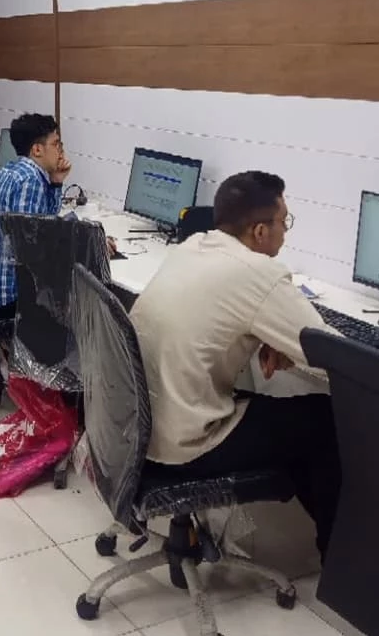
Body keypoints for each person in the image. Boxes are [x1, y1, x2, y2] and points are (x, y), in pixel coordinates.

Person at [129, 170, 340, 559]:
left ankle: (333, 546)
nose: (285, 233)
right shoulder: (260, 273)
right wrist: (287, 340)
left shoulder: (193, 246)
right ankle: (339, 557)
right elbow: (333, 356)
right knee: (324, 420)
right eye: (284, 223)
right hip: (185, 446)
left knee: (293, 419)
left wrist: (273, 336)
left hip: (136, 432)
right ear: (260, 231)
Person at [0, 113, 72, 318]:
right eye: (56, 144)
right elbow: (31, 248)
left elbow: (43, 220)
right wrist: (87, 241)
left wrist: (56, 182)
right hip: (10, 299)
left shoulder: (10, 170)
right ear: (37, 149)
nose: (61, 151)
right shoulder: (31, 180)